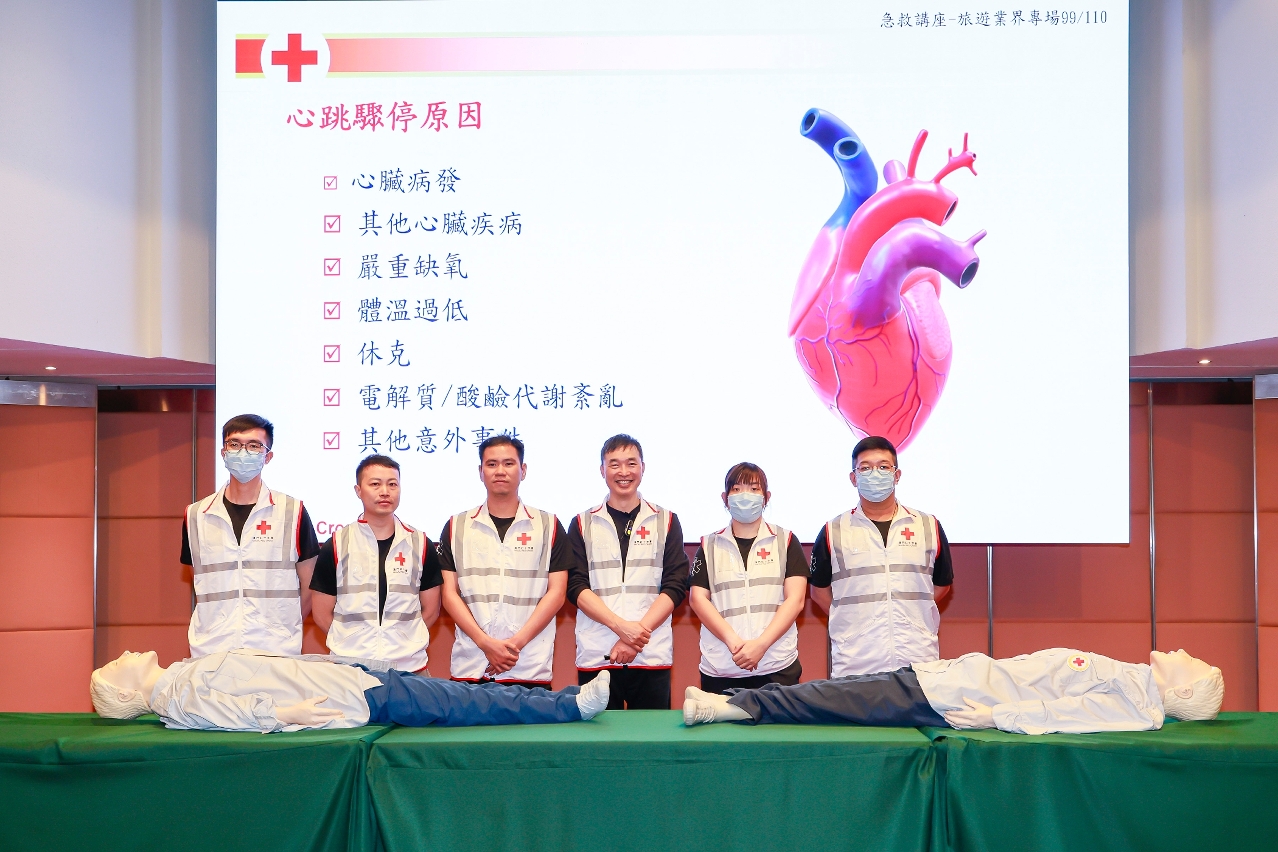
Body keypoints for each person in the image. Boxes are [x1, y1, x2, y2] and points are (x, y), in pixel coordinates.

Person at [682, 648, 1225, 735]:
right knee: (835, 690)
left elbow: (1065, 714)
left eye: (1193, 663)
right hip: (952, 679)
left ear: (1184, 689)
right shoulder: (1132, 679)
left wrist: (997, 718)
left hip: (954, 699)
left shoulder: (1136, 706)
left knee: (830, 701)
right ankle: (731, 702)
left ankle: (726, 711)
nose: (1184, 651)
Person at [89, 650, 611, 731]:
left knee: (465, 697)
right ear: (124, 688)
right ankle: (570, 707)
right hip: (350, 698)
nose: (124, 653)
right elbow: (228, 713)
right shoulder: (176, 694)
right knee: (469, 701)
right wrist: (284, 715)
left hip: (352, 679)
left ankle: (567, 700)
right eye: (116, 664)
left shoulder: (181, 676)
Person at [808, 436, 953, 677]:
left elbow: (941, 586)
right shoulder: (833, 530)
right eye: (865, 468)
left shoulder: (928, 526)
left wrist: (907, 611)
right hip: (855, 661)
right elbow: (819, 593)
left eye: (884, 467)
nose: (875, 474)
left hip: (917, 657)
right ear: (853, 478)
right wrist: (853, 623)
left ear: (897, 475)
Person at [180, 414, 321, 657]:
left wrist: (285, 628)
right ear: (223, 452)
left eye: (254, 446)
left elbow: (310, 585)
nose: (243, 452)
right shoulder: (196, 515)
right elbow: (199, 580)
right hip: (212, 649)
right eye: (235, 444)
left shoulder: (292, 511)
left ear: (268, 457)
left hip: (275, 650)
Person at [438, 435, 572, 688]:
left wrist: (514, 646)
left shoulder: (548, 525)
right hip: (472, 664)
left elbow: (557, 593)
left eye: (509, 463)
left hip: (529, 664)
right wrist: (486, 644)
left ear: (523, 470)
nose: (500, 471)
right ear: (480, 471)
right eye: (492, 464)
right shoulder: (457, 526)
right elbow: (449, 594)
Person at [567, 434, 689, 709]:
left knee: (650, 735)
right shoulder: (582, 523)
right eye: (614, 464)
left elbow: (675, 584)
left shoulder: (666, 520)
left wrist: (635, 638)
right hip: (597, 653)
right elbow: (575, 586)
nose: (624, 472)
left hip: (650, 655)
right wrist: (621, 628)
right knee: (598, 735)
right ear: (602, 470)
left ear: (642, 468)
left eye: (631, 463)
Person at [309, 455, 443, 672]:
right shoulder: (337, 544)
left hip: (410, 668)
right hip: (350, 668)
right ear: (358, 490)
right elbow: (321, 614)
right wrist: (348, 643)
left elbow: (431, 610)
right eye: (375, 484)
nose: (385, 492)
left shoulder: (420, 543)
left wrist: (406, 642)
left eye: (392, 484)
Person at [688, 463, 809, 695]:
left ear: (766, 497)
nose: (745, 496)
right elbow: (697, 599)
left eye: (754, 489)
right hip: (723, 666)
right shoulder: (709, 545)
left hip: (776, 664)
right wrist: (734, 643)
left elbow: (796, 600)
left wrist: (761, 645)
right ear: (725, 498)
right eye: (736, 489)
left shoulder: (785, 541)